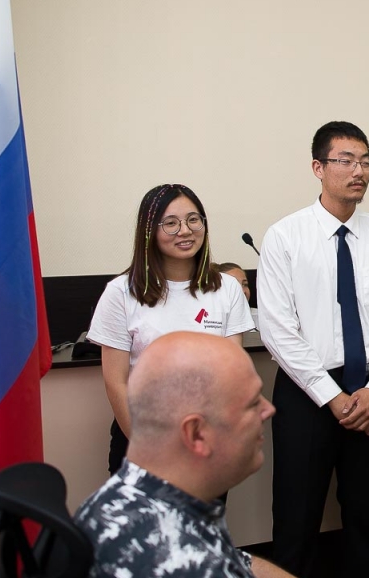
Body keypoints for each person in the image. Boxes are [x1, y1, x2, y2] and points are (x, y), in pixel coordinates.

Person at [256, 121, 369, 577]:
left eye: (366, 161)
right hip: (307, 397)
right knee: (295, 521)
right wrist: (332, 396)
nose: (359, 170)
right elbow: (278, 331)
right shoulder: (285, 237)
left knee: (366, 519)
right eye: (346, 160)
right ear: (318, 168)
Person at [74, 331, 290, 578]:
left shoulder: (130, 496)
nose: (268, 410)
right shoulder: (185, 563)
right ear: (196, 433)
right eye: (253, 404)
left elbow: (231, 559)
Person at [88, 184, 253, 473]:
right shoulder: (120, 293)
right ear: (149, 231)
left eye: (193, 219)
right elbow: (116, 383)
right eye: (171, 223)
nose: (185, 230)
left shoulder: (227, 288)